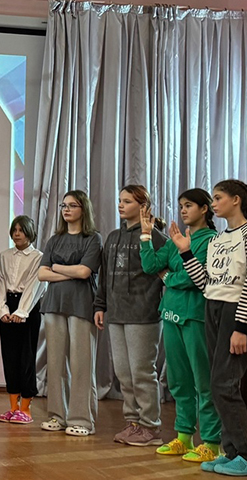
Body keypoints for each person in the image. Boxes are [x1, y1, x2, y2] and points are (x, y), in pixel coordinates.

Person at [172, 179, 247, 477]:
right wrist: (186, 252)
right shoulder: (218, 239)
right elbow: (205, 283)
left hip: (235, 312)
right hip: (212, 307)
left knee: (225, 385)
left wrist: (241, 326)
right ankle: (231, 452)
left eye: (218, 198)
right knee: (216, 384)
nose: (213, 204)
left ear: (236, 200)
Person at [139, 188, 221, 463]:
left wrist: (168, 278)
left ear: (204, 209)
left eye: (189, 205)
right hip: (171, 314)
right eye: (181, 206)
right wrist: (146, 235)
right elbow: (151, 265)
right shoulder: (176, 239)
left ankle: (211, 442)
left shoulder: (211, 240)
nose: (183, 210)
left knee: (203, 381)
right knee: (178, 380)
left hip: (195, 316)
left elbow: (191, 278)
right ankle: (184, 437)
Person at [94, 185, 166, 447]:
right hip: (116, 314)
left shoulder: (156, 237)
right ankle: (133, 422)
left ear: (143, 206)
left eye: (127, 201)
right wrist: (100, 305)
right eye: (119, 200)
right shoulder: (113, 237)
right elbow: (104, 276)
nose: (120, 205)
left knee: (142, 372)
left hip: (143, 314)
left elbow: (164, 273)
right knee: (123, 373)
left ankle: (151, 426)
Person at [38, 190, 103, 437]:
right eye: (64, 205)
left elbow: (85, 272)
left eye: (72, 205)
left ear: (83, 209)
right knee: (55, 363)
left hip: (81, 305)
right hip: (54, 304)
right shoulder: (55, 239)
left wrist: (56, 267)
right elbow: (41, 274)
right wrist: (70, 271)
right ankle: (58, 415)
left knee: (81, 364)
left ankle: (82, 420)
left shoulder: (93, 238)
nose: (66, 209)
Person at [0, 215, 46, 424]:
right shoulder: (4, 255)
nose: (17, 234)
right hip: (9, 306)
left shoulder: (38, 256)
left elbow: (36, 285)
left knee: (26, 357)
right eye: (14, 230)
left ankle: (26, 408)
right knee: (10, 357)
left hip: (28, 308)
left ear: (29, 233)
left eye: (21, 230)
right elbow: (0, 283)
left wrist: (22, 312)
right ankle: (13, 407)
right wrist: (2, 310)